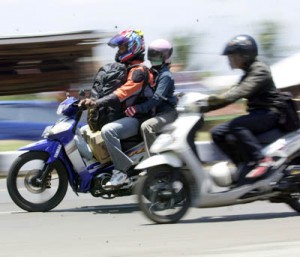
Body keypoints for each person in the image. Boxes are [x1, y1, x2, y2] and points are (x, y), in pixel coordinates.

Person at [80, 29, 154, 187]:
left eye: (122, 47)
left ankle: (121, 171)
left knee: (109, 130)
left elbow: (123, 93)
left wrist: (98, 103)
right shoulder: (126, 69)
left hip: (139, 118)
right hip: (128, 116)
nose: (119, 51)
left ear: (133, 47)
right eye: (119, 48)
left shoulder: (139, 71)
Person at [201, 34, 281, 182]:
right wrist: (204, 106)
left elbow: (241, 91)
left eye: (233, 56)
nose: (230, 59)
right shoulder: (248, 72)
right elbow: (232, 93)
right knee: (217, 133)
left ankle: (263, 160)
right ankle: (242, 165)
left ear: (245, 54)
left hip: (270, 113)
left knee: (237, 125)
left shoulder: (260, 70)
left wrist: (219, 99)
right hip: (258, 113)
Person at [124, 39, 178, 156]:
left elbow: (156, 99)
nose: (153, 58)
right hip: (155, 112)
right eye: (151, 54)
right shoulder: (151, 72)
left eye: (157, 55)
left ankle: (154, 163)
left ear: (165, 57)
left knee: (146, 127)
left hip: (167, 113)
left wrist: (137, 108)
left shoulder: (165, 76)